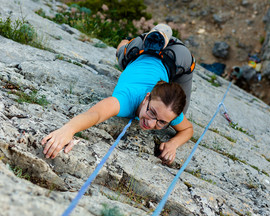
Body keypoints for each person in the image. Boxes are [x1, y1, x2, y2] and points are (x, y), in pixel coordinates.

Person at [41, 24, 194, 165]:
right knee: (122, 52)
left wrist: (173, 144)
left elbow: (187, 129)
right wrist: (68, 130)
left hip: (179, 58)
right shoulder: (127, 98)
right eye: (152, 112)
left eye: (161, 122)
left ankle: (163, 36)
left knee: (180, 106)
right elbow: (96, 114)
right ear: (147, 97)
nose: (151, 124)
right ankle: (140, 38)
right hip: (140, 50)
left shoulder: (168, 108)